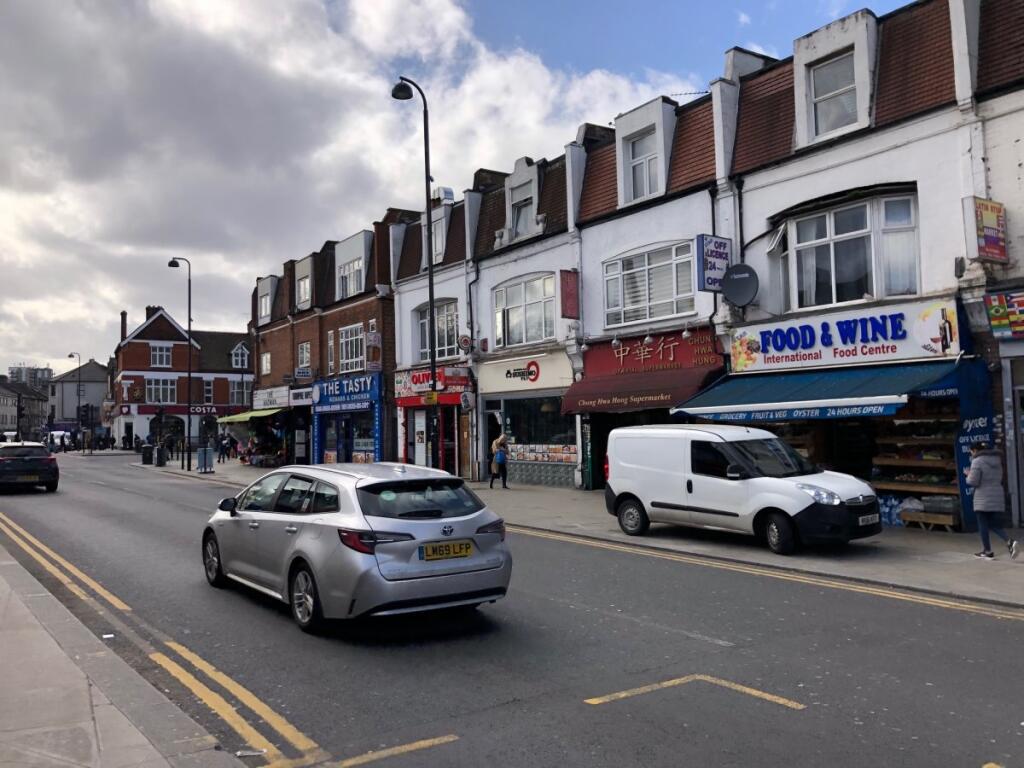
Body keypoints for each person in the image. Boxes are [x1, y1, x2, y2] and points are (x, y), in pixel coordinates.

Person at [965, 442, 1019, 560]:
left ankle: (987, 550)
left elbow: (973, 481)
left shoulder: (977, 461)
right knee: (994, 524)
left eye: (971, 451)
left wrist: (968, 475)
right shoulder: (997, 460)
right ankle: (1009, 542)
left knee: (983, 523)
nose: (971, 453)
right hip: (997, 494)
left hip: (983, 496)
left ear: (975, 450)